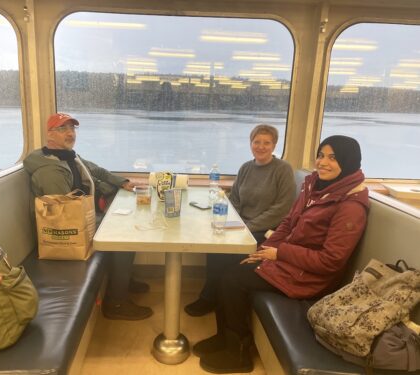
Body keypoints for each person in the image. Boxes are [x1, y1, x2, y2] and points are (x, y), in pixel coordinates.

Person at [194, 135, 370, 374]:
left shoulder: (350, 206)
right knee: (229, 270)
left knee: (232, 281)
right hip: (291, 264)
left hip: (310, 278)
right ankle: (224, 337)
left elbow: (330, 261)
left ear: (349, 162)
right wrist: (263, 252)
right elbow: (287, 223)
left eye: (332, 158)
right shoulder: (315, 188)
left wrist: (279, 253)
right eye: (320, 155)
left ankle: (238, 353)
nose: (323, 162)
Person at [23, 112, 153, 320]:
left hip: (87, 214)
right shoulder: (49, 170)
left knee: (128, 222)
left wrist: (122, 182)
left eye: (72, 129)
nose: (70, 133)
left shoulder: (70, 156)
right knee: (123, 235)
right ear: (50, 134)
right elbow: (63, 211)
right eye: (63, 129)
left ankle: (124, 279)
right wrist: (100, 217)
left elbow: (98, 171)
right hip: (68, 228)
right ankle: (116, 303)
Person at [185, 124, 296, 317]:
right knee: (214, 242)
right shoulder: (246, 168)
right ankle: (210, 296)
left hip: (266, 229)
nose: (261, 147)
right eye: (257, 142)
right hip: (242, 224)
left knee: (225, 249)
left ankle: (212, 297)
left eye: (266, 143)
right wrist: (228, 221)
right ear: (250, 143)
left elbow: (282, 209)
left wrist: (246, 226)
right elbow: (235, 199)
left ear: (274, 145)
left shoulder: (283, 169)